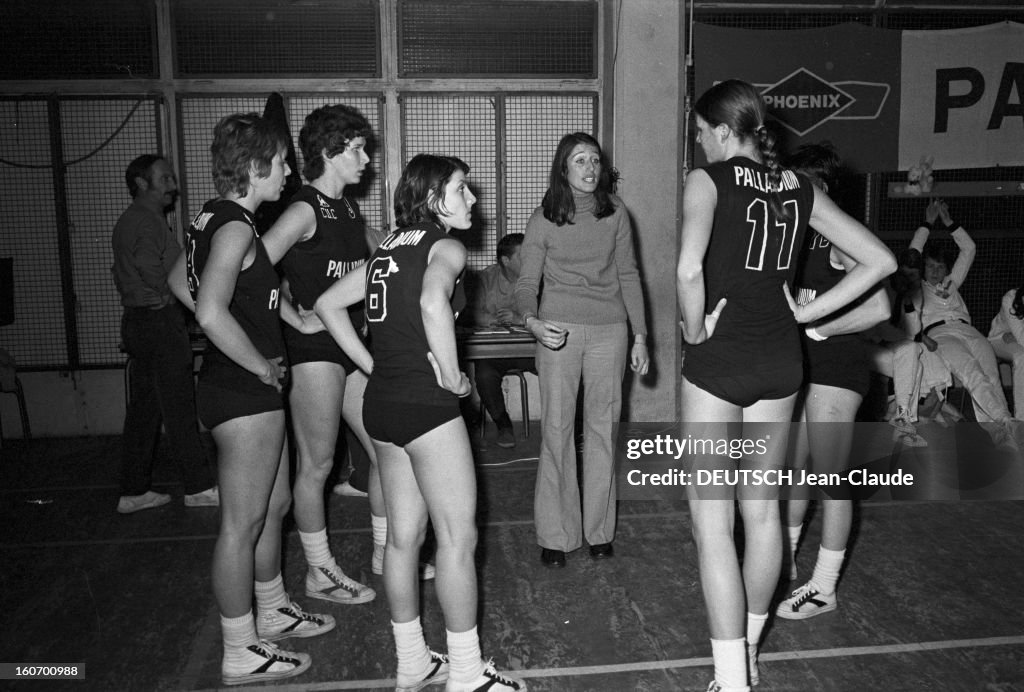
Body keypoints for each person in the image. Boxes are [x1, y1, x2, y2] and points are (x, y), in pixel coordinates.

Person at [677, 80, 895, 692]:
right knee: (765, 517)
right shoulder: (799, 187)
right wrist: (807, 315)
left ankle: (731, 679)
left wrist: (694, 330)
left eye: (700, 132)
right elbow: (880, 262)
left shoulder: (707, 180)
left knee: (714, 527)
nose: (700, 143)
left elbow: (689, 267)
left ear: (723, 131)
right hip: (781, 363)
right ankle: (747, 654)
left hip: (720, 363)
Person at [316, 154, 526, 692]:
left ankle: (411, 663)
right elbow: (435, 303)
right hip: (426, 408)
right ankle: (467, 672)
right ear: (434, 198)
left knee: (403, 542)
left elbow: (327, 303)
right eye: (461, 189)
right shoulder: (445, 246)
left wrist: (370, 366)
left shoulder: (387, 245)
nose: (472, 199)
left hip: (382, 404)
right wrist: (456, 380)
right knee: (457, 539)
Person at [170, 113, 333, 686]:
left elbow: (178, 283)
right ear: (257, 167)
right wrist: (257, 360)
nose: (288, 171)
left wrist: (281, 317)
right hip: (241, 389)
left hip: (242, 387)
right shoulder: (237, 226)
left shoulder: (216, 218)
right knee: (241, 525)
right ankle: (241, 649)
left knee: (276, 503)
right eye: (283, 162)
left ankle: (273, 609)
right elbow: (210, 309)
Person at [260, 103, 383, 601]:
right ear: (330, 153)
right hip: (314, 349)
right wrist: (293, 315)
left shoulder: (349, 209)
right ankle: (319, 570)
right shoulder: (303, 208)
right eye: (356, 149)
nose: (366, 159)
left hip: (349, 344)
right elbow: (251, 269)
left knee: (385, 451)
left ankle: (386, 552)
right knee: (317, 464)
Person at [515, 132, 649, 569]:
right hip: (559, 331)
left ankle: (599, 532)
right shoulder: (543, 218)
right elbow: (525, 283)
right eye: (579, 161)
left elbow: (629, 274)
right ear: (563, 169)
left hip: (611, 330)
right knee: (555, 431)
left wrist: (641, 335)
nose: (590, 168)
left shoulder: (616, 214)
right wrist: (532, 322)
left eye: (595, 160)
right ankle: (556, 534)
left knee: (602, 431)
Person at [776, 143, 890, 625]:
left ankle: (823, 587)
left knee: (829, 477)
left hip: (838, 370)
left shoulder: (839, 235)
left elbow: (881, 308)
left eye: (801, 185)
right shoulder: (797, 234)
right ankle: (785, 559)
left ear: (820, 187)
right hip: (807, 368)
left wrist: (820, 329)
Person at [111, 154, 218, 514]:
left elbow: (121, 269)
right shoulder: (146, 221)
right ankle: (199, 487)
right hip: (157, 323)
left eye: (173, 176)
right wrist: (167, 295)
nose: (173, 183)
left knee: (145, 409)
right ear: (141, 183)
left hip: (139, 321)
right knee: (179, 405)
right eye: (165, 177)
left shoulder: (134, 220)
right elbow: (149, 266)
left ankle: (133, 490)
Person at [911, 199, 1016, 444]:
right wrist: (927, 222)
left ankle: (1001, 435)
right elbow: (913, 253)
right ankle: (1007, 422)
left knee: (991, 377)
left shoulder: (951, 283)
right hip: (940, 335)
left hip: (969, 331)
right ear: (922, 269)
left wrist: (949, 222)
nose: (935, 272)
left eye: (940, 267)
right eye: (930, 267)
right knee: (973, 374)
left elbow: (968, 249)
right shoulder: (916, 286)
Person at [470, 232, 534, 448]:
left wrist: (520, 318)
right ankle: (503, 424)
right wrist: (488, 319)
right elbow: (468, 314)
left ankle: (571, 426)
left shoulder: (541, 278)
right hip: (494, 352)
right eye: (523, 255)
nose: (531, 259)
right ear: (506, 261)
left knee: (563, 367)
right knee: (485, 374)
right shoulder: (485, 278)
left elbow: (555, 315)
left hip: (533, 351)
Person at [988, 284, 1024, 417]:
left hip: (1017, 338)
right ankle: (1021, 419)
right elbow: (1021, 336)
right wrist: (1018, 336)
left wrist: (1018, 336)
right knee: (1022, 357)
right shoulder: (1011, 297)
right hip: (999, 339)